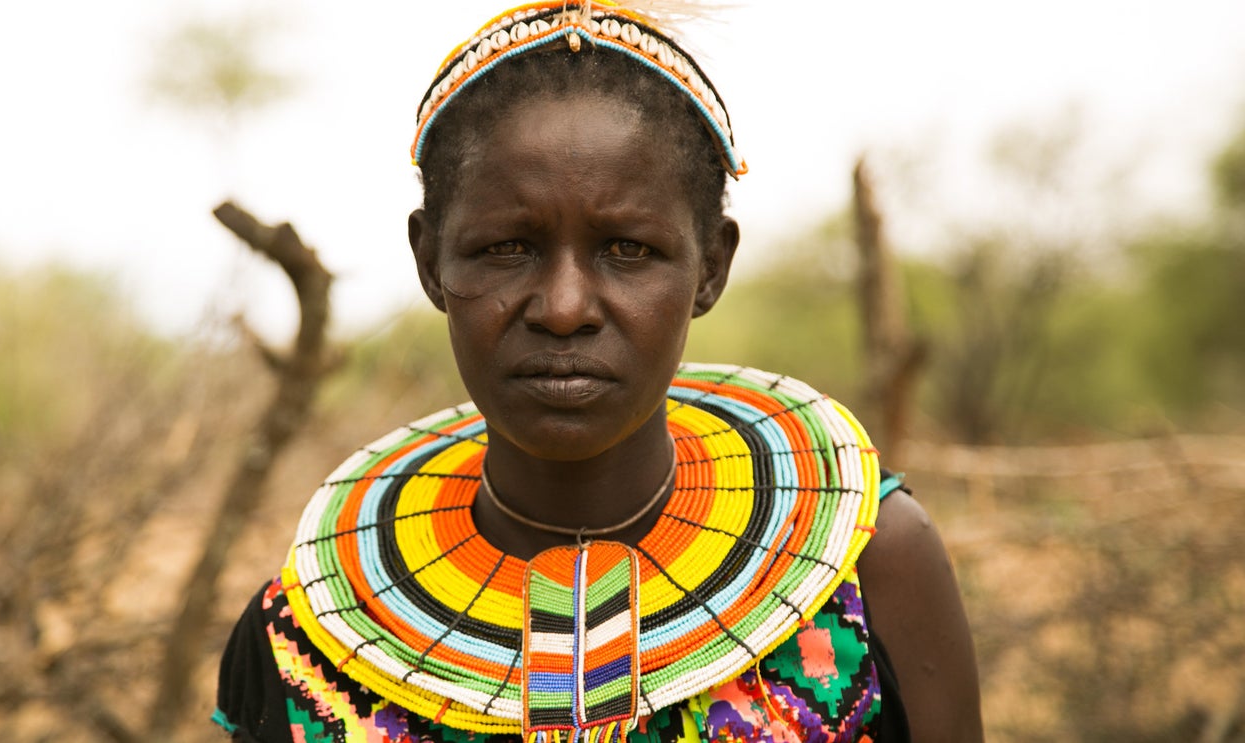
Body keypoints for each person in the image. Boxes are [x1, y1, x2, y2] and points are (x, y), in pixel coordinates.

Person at [215, 2, 983, 741]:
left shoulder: (871, 570)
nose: (563, 307)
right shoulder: (303, 651)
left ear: (712, 265)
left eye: (628, 250)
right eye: (506, 248)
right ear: (429, 261)